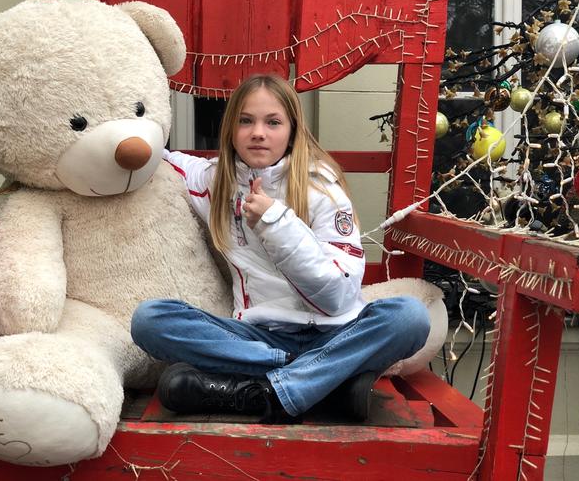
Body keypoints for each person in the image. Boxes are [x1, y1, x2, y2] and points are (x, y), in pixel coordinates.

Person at [131, 74, 430, 422]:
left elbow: (336, 298)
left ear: (292, 130)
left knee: (409, 317)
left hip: (335, 334)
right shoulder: (217, 180)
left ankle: (268, 391)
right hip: (259, 340)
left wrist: (275, 223)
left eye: (273, 122)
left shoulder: (322, 189)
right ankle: (317, 379)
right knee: (150, 320)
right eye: (246, 121)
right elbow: (164, 157)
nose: (258, 132)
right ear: (231, 129)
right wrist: (126, 142)